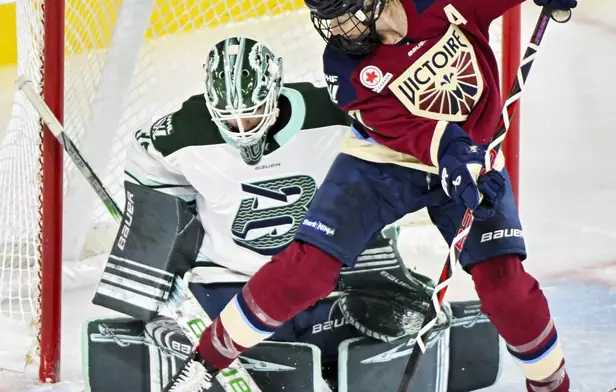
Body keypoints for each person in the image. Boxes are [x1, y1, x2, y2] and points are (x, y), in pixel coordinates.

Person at [169, 1, 579, 392]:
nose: (334, 29)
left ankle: (551, 386)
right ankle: (205, 362)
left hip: (472, 156)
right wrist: (458, 158)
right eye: (326, 18)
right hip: (385, 161)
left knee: (505, 286)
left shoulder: (441, 3)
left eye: (344, 15)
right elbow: (416, 135)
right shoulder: (343, 68)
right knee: (305, 270)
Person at [85, 35, 498, 392]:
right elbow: (146, 160)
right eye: (228, 117)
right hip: (227, 285)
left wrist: (458, 155)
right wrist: (166, 241)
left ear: (275, 90)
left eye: (251, 112)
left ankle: (298, 351)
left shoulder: (332, 112)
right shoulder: (181, 132)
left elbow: (397, 132)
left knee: (400, 310)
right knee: (271, 332)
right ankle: (299, 352)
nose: (242, 127)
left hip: (314, 280)